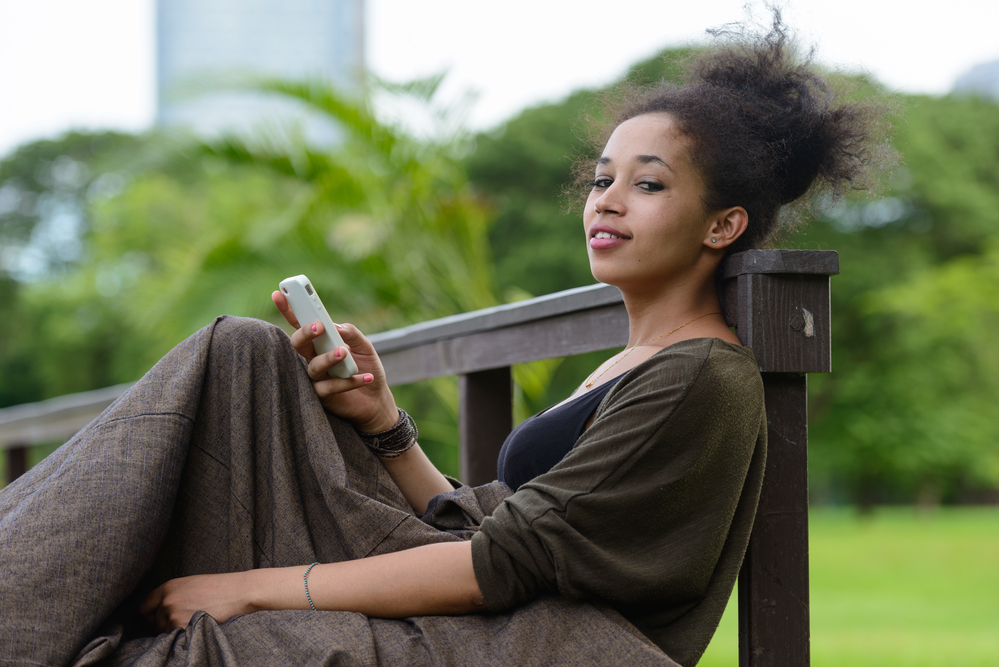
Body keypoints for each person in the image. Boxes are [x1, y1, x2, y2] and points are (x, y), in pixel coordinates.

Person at [0, 14, 884, 667]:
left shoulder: (702, 379)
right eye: (601, 176)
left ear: (723, 224)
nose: (605, 199)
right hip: (488, 605)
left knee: (207, 641)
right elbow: (492, 524)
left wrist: (248, 587)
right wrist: (385, 425)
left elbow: (496, 566)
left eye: (647, 184)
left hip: (541, 644)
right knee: (245, 357)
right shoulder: (624, 365)